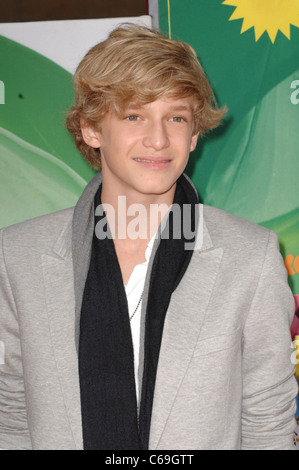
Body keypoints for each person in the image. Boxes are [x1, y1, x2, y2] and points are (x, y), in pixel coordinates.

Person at [0, 23, 297, 451]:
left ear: (194, 134)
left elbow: (268, 421)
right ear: (91, 129)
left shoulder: (250, 257)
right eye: (134, 115)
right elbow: (12, 413)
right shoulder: (19, 255)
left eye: (176, 117)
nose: (158, 140)